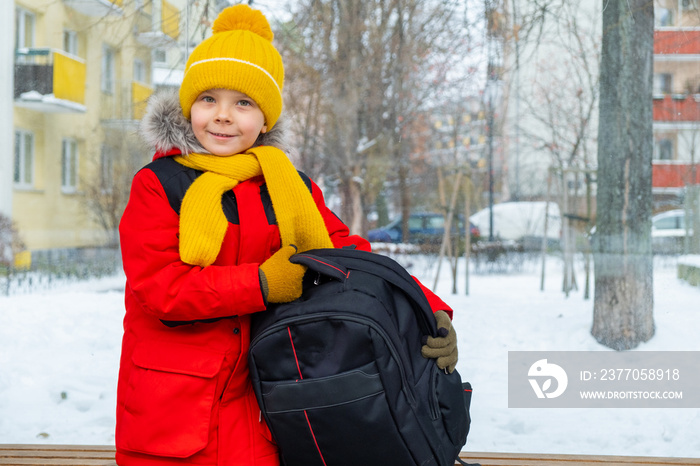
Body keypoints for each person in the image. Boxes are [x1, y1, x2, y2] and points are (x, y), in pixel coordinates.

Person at [116, 5, 458, 466]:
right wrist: (261, 283)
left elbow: (349, 257)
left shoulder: (286, 186)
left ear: (266, 118)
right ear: (187, 106)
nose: (222, 116)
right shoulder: (159, 184)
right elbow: (160, 288)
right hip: (173, 407)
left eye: (243, 103)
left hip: (261, 405)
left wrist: (428, 309)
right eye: (207, 99)